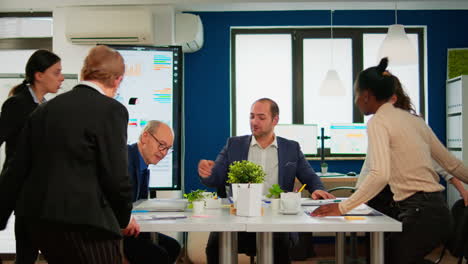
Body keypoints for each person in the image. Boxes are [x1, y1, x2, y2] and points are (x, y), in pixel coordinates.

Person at [312, 58, 468, 264]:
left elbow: (380, 174)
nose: (356, 101)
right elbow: (452, 164)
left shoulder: (378, 121)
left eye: (356, 95)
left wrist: (342, 207)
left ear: (366, 96)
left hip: (419, 212)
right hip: (438, 213)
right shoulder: (414, 120)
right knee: (387, 255)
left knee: (387, 257)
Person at [0, 45, 135, 264]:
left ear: (84, 73)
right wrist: (123, 218)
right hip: (87, 224)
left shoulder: (44, 110)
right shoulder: (112, 110)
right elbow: (116, 175)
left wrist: (2, 212)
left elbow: (18, 166)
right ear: (117, 80)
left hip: (42, 223)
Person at [198, 98, 334, 264]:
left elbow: (310, 177)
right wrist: (207, 173)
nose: (254, 122)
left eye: (261, 118)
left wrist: (316, 189)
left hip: (276, 219)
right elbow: (215, 178)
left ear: (275, 120)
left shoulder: (291, 148)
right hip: (238, 217)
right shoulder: (234, 144)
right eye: (251, 116)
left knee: (279, 251)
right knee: (214, 248)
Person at [357, 79, 468, 216]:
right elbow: (370, 165)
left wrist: (463, 191)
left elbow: (443, 164)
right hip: (387, 199)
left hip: (408, 203)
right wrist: (358, 200)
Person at [0, 50, 63, 264]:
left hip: (41, 195)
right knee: (28, 255)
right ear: (39, 75)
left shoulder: (44, 107)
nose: (61, 78)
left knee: (30, 254)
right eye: (56, 72)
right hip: (24, 192)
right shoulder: (17, 104)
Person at [124, 120, 181, 264]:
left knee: (173, 247)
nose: (163, 153)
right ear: (145, 137)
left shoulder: (143, 164)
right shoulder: (125, 159)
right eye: (161, 145)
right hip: (119, 229)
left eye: (168, 148)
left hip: (135, 227)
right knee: (159, 255)